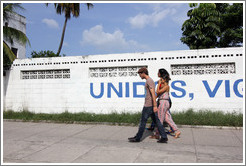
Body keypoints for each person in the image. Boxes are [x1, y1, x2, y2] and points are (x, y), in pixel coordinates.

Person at [128, 67, 168, 143]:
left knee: (143, 122)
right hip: (151, 105)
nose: (139, 76)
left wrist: (155, 105)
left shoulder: (149, 81)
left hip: (149, 105)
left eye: (140, 74)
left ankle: (138, 138)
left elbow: (153, 93)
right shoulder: (149, 81)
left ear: (143, 73)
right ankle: (164, 137)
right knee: (157, 122)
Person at [150, 68, 181, 139]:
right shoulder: (164, 85)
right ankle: (176, 130)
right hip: (163, 102)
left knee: (160, 118)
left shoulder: (166, 86)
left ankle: (157, 134)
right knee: (167, 118)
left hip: (163, 102)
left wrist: (159, 83)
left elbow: (157, 91)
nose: (157, 74)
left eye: (158, 73)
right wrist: (154, 99)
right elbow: (158, 94)